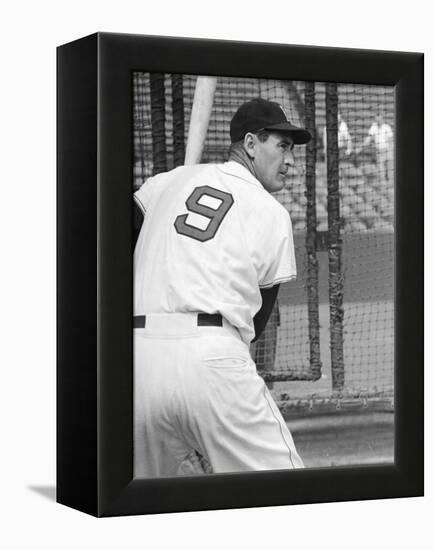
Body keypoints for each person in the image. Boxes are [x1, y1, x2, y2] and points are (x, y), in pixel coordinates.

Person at [133, 97, 311, 477]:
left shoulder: (170, 181)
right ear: (250, 144)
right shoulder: (271, 212)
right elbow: (256, 325)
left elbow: (116, 235)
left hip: (135, 363)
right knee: (288, 497)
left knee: (142, 511)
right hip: (212, 359)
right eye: (282, 145)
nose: (291, 160)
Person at [357, 110, 394, 181]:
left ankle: (390, 185)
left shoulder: (387, 127)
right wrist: (360, 147)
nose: (377, 119)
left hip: (387, 151)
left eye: (378, 117)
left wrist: (390, 152)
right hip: (379, 152)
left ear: (382, 118)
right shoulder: (374, 127)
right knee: (381, 171)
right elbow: (369, 138)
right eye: (376, 117)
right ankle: (383, 186)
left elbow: (390, 140)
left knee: (390, 171)